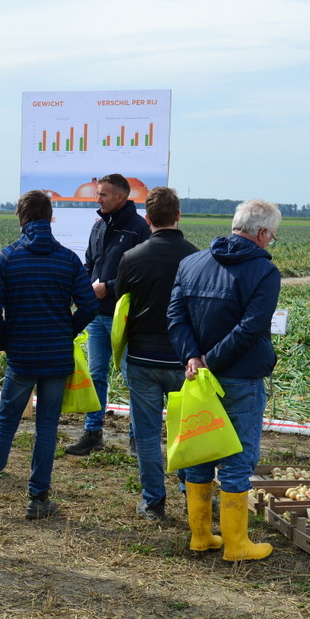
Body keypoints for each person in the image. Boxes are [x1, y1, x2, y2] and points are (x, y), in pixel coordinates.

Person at [0, 190, 98, 520]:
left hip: (22, 357)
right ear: (50, 217)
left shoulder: (7, 258)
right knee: (47, 428)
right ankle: (38, 499)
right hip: (56, 357)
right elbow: (90, 305)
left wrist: (6, 340)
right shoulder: (68, 259)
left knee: (6, 424)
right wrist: (67, 331)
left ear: (21, 218)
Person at [168, 198, 282, 561]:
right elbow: (250, 328)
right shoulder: (264, 272)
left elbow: (175, 316)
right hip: (241, 378)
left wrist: (193, 358)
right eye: (272, 235)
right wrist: (212, 362)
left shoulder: (191, 263)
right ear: (261, 232)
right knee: (237, 459)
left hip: (197, 379)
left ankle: (201, 536)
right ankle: (236, 544)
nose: (271, 241)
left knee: (200, 451)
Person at [116, 186, 198, 523]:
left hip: (142, 360)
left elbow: (121, 307)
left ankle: (153, 503)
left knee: (147, 435)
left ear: (147, 219)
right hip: (183, 361)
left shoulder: (131, 258)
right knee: (188, 433)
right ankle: (193, 496)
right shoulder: (196, 258)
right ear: (178, 215)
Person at [66, 172, 149, 456]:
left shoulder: (139, 229)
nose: (97, 198)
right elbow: (90, 264)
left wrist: (109, 288)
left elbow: (141, 275)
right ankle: (93, 433)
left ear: (120, 196)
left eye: (102, 194)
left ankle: (137, 437)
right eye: (97, 193)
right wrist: (81, 290)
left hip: (123, 316)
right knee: (96, 375)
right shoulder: (98, 226)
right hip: (96, 314)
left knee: (132, 377)